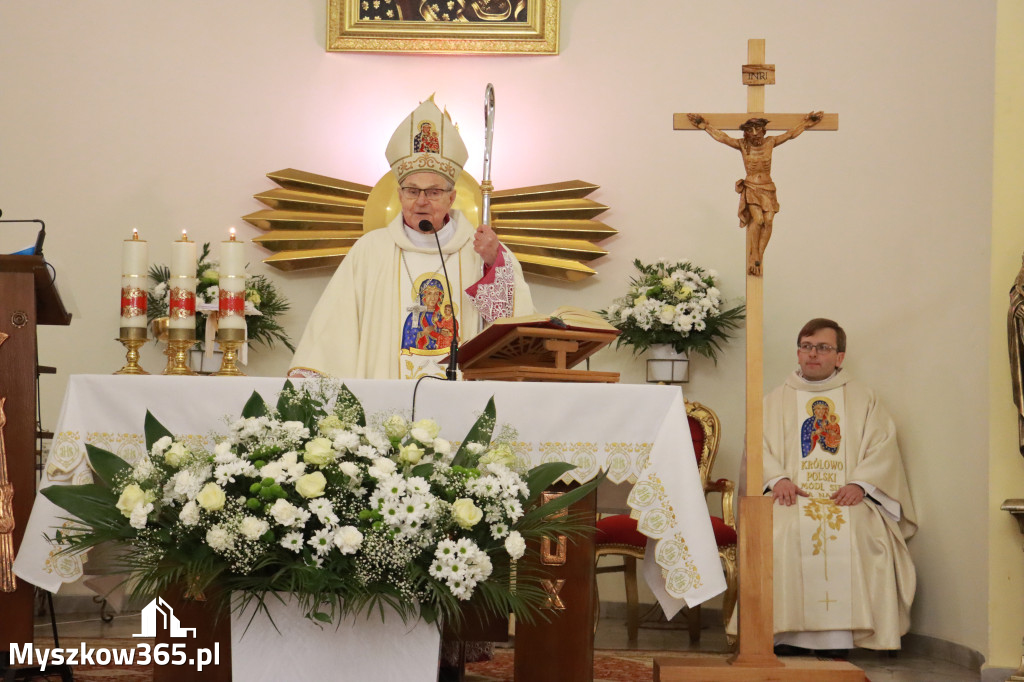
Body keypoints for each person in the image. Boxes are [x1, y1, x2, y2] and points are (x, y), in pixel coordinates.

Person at [289, 97, 534, 379]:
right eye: (412, 191)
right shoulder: (371, 249)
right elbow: (336, 322)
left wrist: (493, 265)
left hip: (463, 394)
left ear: (452, 197)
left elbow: (507, 327)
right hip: (383, 392)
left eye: (433, 192)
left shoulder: (483, 250)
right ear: (399, 194)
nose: (421, 201)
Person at [763, 318, 916, 655]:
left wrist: (861, 485)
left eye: (822, 347)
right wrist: (778, 479)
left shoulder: (863, 399)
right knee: (781, 529)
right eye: (806, 346)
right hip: (791, 497)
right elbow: (758, 446)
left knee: (861, 529)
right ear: (798, 352)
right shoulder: (774, 400)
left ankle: (841, 640)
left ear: (840, 356)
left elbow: (882, 446)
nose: (812, 354)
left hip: (846, 497)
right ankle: (785, 635)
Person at [686, 112, 822, 276]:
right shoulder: (743, 145)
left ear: (764, 130)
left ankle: (758, 255)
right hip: (751, 186)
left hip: (768, 187)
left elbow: (790, 134)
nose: (756, 134)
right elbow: (723, 137)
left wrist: (806, 123)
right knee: (757, 220)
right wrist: (705, 125)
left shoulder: (770, 142)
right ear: (746, 132)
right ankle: (755, 255)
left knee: (769, 220)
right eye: (751, 130)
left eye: (759, 129)